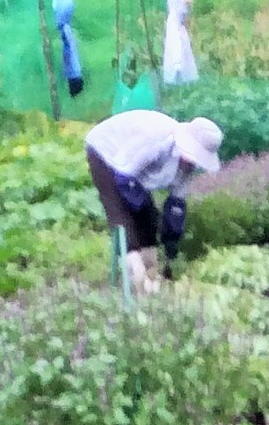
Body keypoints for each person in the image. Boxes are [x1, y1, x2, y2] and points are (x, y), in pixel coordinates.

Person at [83, 106, 223, 292]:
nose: (191, 161)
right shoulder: (156, 141)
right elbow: (123, 175)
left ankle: (153, 275)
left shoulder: (189, 165)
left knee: (150, 219)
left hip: (131, 170)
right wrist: (138, 205)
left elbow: (177, 202)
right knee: (123, 219)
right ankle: (136, 283)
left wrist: (171, 239)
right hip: (107, 152)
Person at [162, 0, 199, 86]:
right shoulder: (174, 20)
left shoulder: (176, 17)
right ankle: (177, 72)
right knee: (177, 48)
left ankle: (182, 76)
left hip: (179, 27)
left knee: (183, 48)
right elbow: (175, 44)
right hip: (177, 27)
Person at [51, 0, 85, 99]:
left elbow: (69, 48)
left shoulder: (65, 29)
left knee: (74, 85)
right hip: (73, 69)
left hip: (73, 70)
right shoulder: (67, 28)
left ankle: (75, 95)